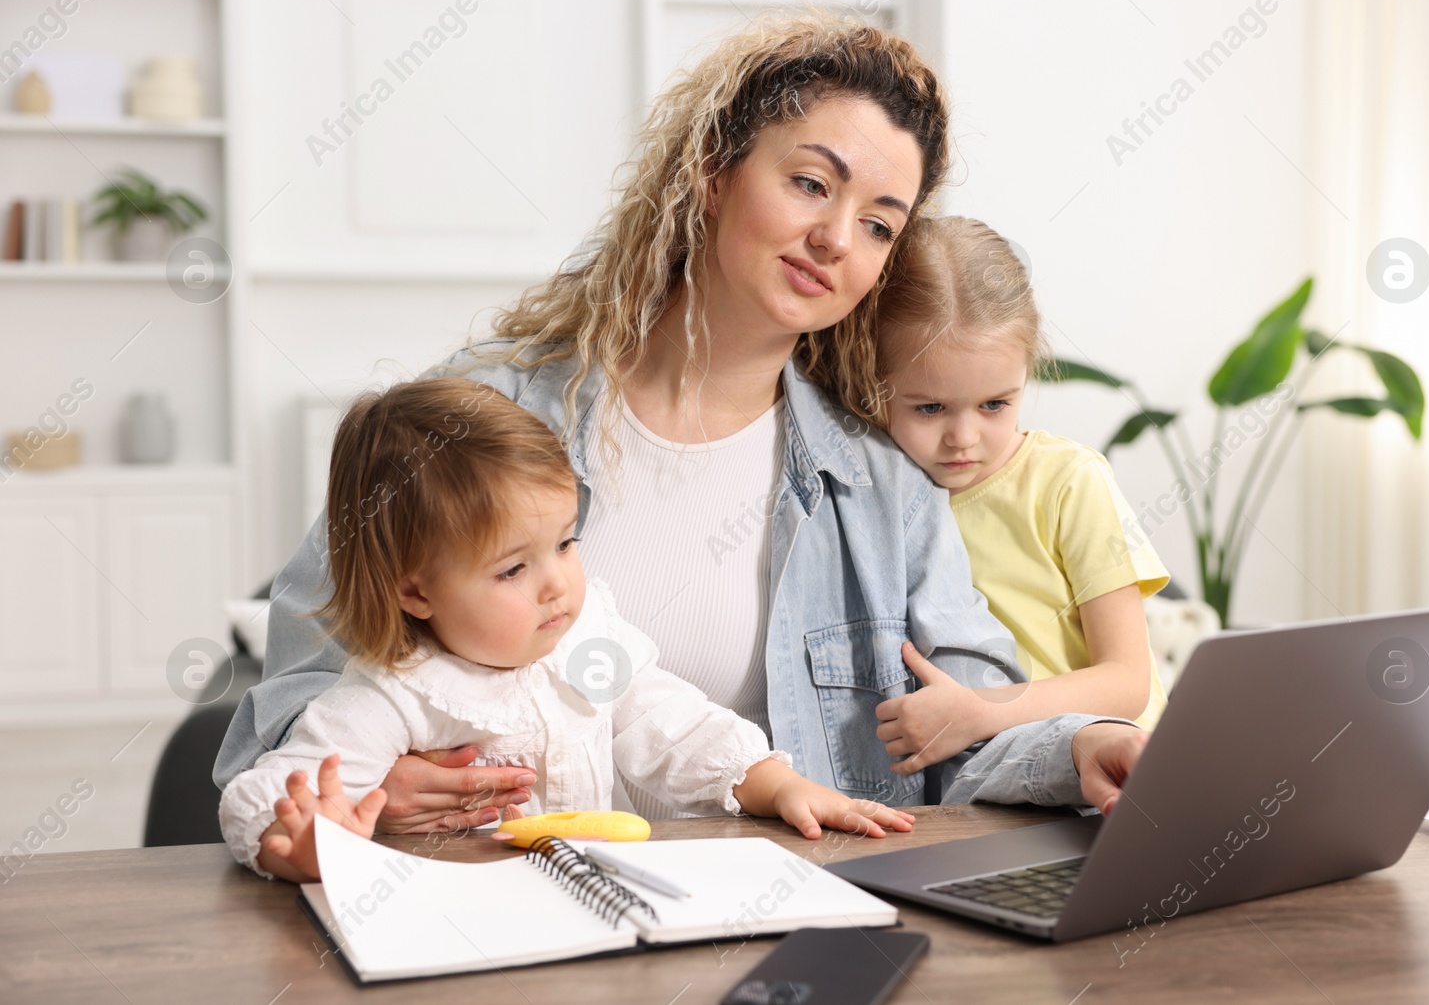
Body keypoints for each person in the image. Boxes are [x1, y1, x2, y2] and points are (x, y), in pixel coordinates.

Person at [215, 11, 1149, 831]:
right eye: (812, 184)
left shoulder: (883, 487)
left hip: (779, 916)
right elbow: (291, 697)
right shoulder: (484, 418)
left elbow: (965, 735)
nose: (837, 238)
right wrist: (376, 784)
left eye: (879, 224)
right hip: (499, 909)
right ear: (710, 174)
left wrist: (1081, 750)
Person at [221, 377, 913, 882]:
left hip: (593, 903)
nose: (557, 582)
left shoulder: (581, 637)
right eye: (512, 569)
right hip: (458, 928)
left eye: (565, 543)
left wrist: (771, 781)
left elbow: (665, 719)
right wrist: (305, 841)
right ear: (415, 589)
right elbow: (270, 789)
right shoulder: (394, 694)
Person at [868, 217, 1172, 773]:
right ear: (874, 381)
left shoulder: (1070, 482)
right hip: (1005, 786)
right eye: (929, 408)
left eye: (994, 405)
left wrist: (981, 711)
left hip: (1125, 774)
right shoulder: (884, 498)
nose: (963, 438)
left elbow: (1127, 682)